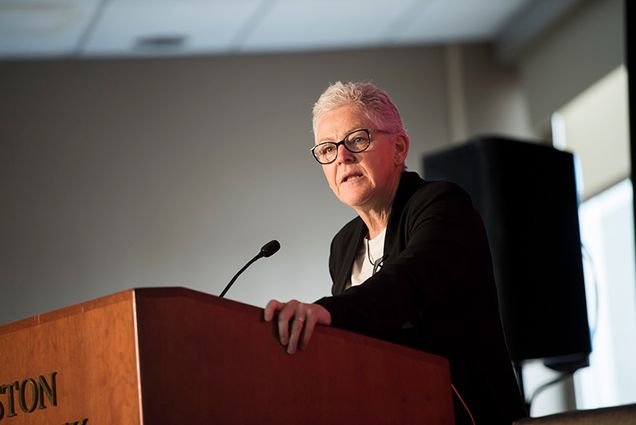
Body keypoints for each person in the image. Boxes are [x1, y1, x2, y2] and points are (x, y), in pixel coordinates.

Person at [264, 81, 526, 424]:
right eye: (327, 149)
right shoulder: (343, 246)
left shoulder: (442, 205)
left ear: (399, 147)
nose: (342, 157)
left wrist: (325, 312)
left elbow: (407, 284)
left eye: (357, 139)